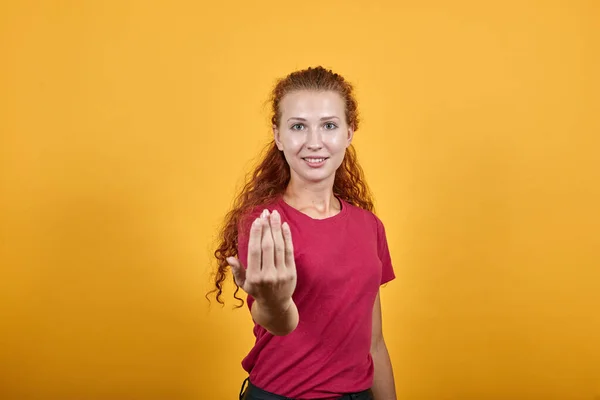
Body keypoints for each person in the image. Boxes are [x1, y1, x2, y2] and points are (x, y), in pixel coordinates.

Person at [210, 66, 397, 400]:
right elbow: (277, 323)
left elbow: (375, 343)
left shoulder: (369, 227)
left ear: (349, 132)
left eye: (329, 125)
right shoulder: (263, 224)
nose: (314, 142)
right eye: (298, 126)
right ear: (279, 135)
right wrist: (274, 301)